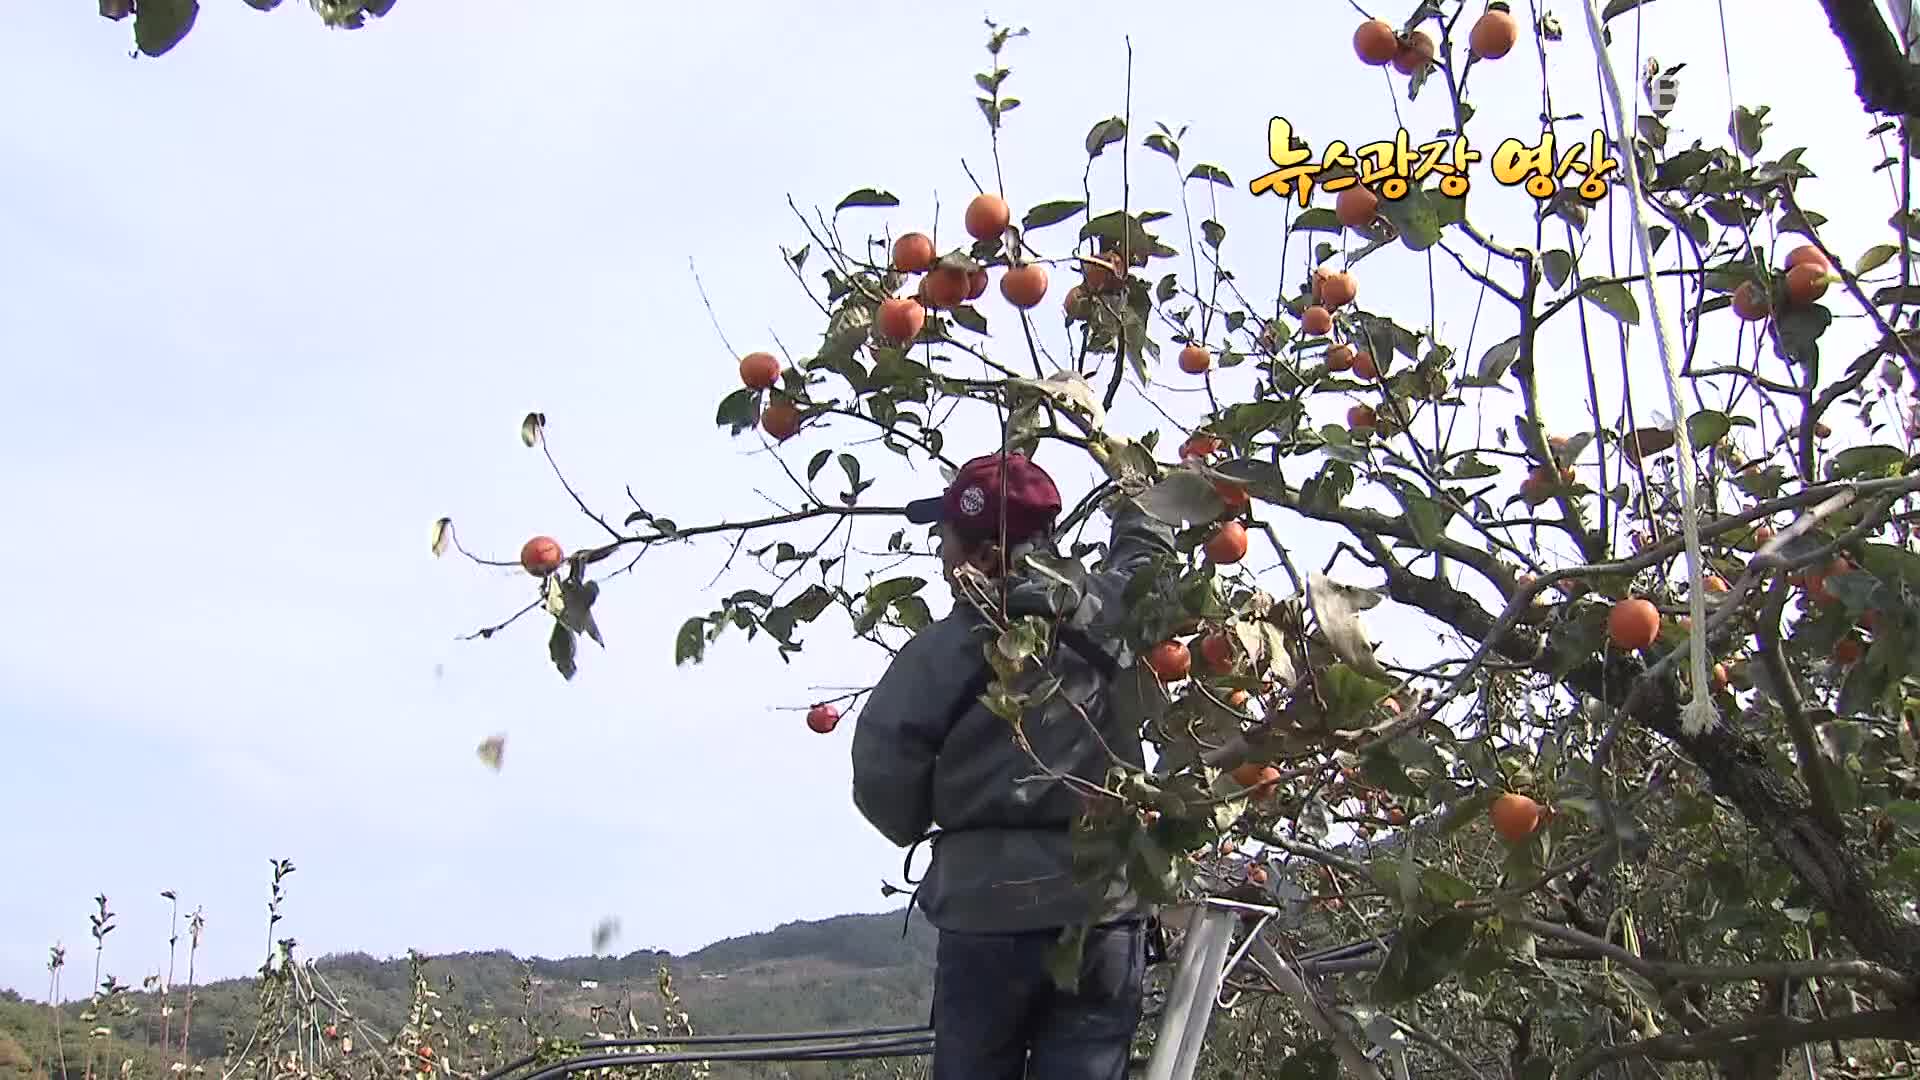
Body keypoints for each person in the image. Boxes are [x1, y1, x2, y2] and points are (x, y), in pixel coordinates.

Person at [849, 450, 1178, 1080]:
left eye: (946, 541)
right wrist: (1139, 490)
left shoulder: (939, 654)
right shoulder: (1110, 613)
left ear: (982, 557)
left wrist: (939, 820)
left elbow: (882, 780)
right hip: (1100, 912)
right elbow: (1150, 565)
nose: (941, 558)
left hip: (985, 914)